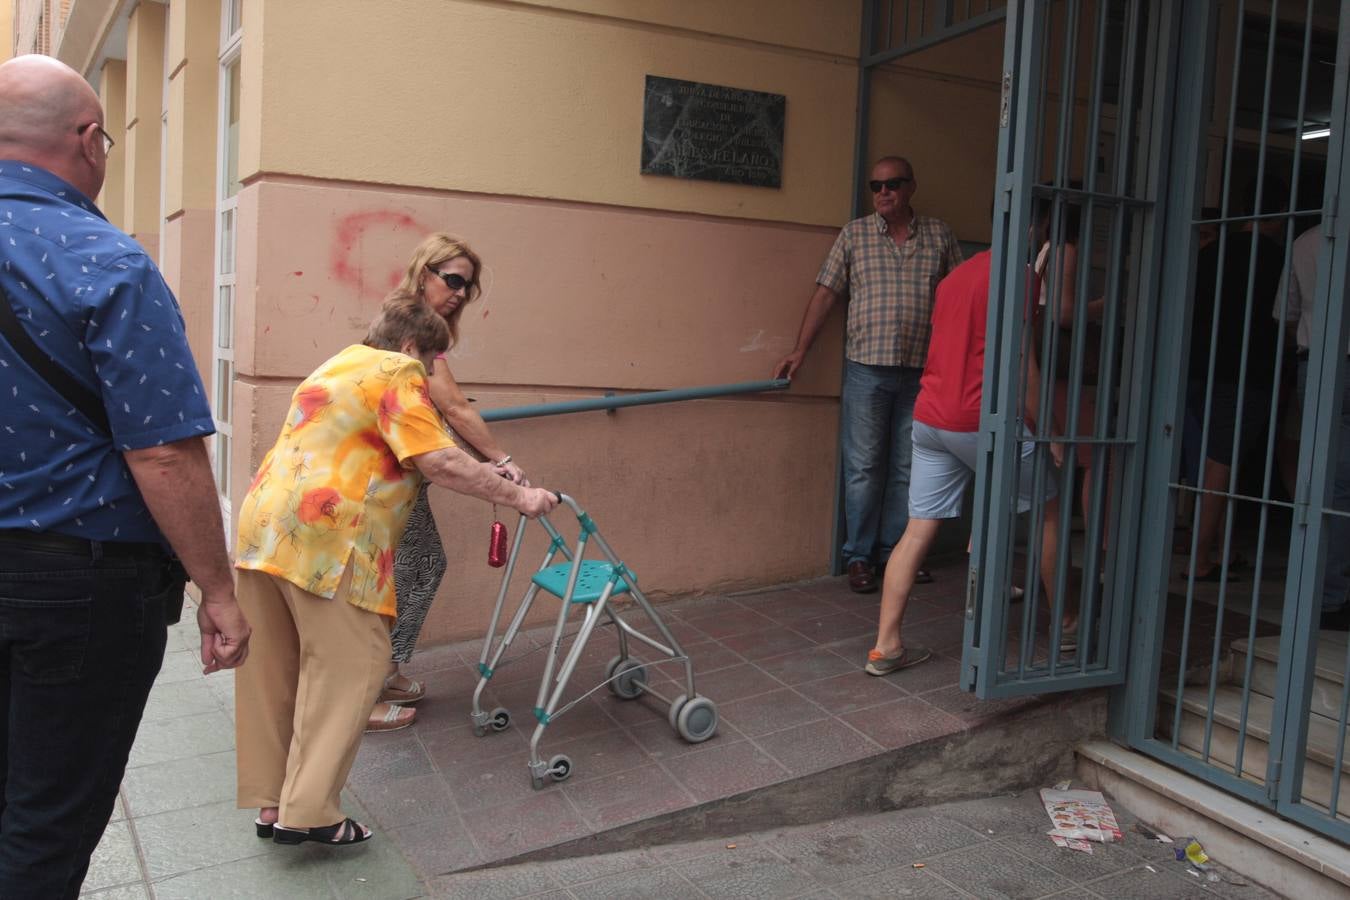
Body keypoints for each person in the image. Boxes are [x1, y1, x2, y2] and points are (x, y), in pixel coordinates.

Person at [0, 55, 250, 897]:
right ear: (85, 140)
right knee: (44, 823)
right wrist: (216, 590)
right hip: (79, 583)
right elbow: (162, 451)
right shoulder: (104, 259)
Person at [234, 299, 557, 846]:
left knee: (273, 671)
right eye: (431, 361)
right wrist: (519, 495)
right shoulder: (398, 371)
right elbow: (439, 460)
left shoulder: (336, 365)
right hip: (329, 538)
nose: (429, 375)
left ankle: (272, 805)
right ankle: (309, 813)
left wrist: (489, 466)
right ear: (412, 347)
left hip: (262, 529)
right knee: (356, 665)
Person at [866, 204, 1065, 675]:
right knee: (1048, 511)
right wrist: (1050, 429)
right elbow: (1024, 366)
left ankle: (885, 646)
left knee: (917, 530)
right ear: (1037, 230)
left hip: (932, 417)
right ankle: (1069, 623)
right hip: (981, 417)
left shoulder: (955, 278)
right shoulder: (1021, 279)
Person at [773, 156, 963, 593]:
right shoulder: (854, 234)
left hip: (922, 370)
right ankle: (859, 556)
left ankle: (898, 554)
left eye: (893, 184)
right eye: (876, 186)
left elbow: (959, 298)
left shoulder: (939, 234)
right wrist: (800, 349)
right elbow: (825, 294)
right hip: (866, 369)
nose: (883, 193)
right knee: (863, 467)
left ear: (911, 186)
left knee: (907, 467)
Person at [366, 233, 528, 733]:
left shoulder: (418, 328)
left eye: (468, 286)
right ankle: (367, 688)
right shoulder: (410, 330)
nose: (459, 293)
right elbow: (453, 406)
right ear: (424, 274)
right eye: (453, 280)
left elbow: (445, 408)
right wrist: (503, 462)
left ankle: (383, 671)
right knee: (400, 575)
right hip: (377, 479)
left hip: (393, 477)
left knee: (412, 569)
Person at [1185, 177, 1287, 582]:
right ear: (1279, 214)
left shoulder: (1212, 253)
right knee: (1221, 465)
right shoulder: (1278, 258)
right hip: (1245, 373)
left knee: (1214, 461)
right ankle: (1200, 557)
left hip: (1200, 370)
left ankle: (1222, 550)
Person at [1273, 224, 1349, 629]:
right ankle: (1330, 594)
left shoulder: (1306, 241)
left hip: (1314, 363)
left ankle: (1321, 593)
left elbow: (1284, 314)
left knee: (1323, 481)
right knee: (1337, 485)